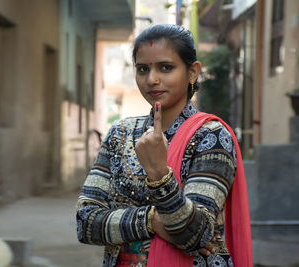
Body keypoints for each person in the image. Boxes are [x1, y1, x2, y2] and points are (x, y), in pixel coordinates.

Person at [76, 24, 252, 267]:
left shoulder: (211, 137)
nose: (152, 79)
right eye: (143, 69)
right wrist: (151, 221)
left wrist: (159, 174)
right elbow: (85, 223)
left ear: (192, 72)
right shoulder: (120, 134)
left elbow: (195, 235)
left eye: (166, 68)